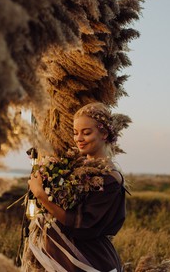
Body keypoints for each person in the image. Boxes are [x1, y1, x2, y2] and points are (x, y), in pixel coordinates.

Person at [22, 102, 129, 272]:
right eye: (75, 132)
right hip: (62, 258)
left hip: (86, 261)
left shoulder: (109, 179)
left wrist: (41, 194)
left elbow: (80, 226)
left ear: (104, 133)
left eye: (86, 133)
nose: (79, 138)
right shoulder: (75, 165)